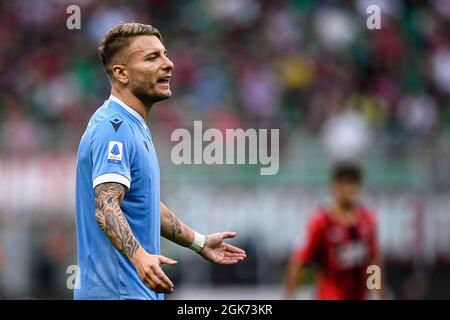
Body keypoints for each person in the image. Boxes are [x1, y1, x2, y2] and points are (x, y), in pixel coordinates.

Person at [74, 23, 246, 300]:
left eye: (164, 54)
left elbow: (147, 204)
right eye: (152, 58)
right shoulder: (112, 129)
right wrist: (140, 257)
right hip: (117, 294)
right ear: (121, 73)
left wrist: (199, 242)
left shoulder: (134, 126)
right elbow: (105, 207)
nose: (169, 64)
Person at [283, 162, 383, 300]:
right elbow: (297, 261)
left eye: (352, 184)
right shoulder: (319, 222)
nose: (348, 189)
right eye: (343, 184)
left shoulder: (368, 220)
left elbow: (374, 261)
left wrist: (378, 294)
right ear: (334, 187)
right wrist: (288, 296)